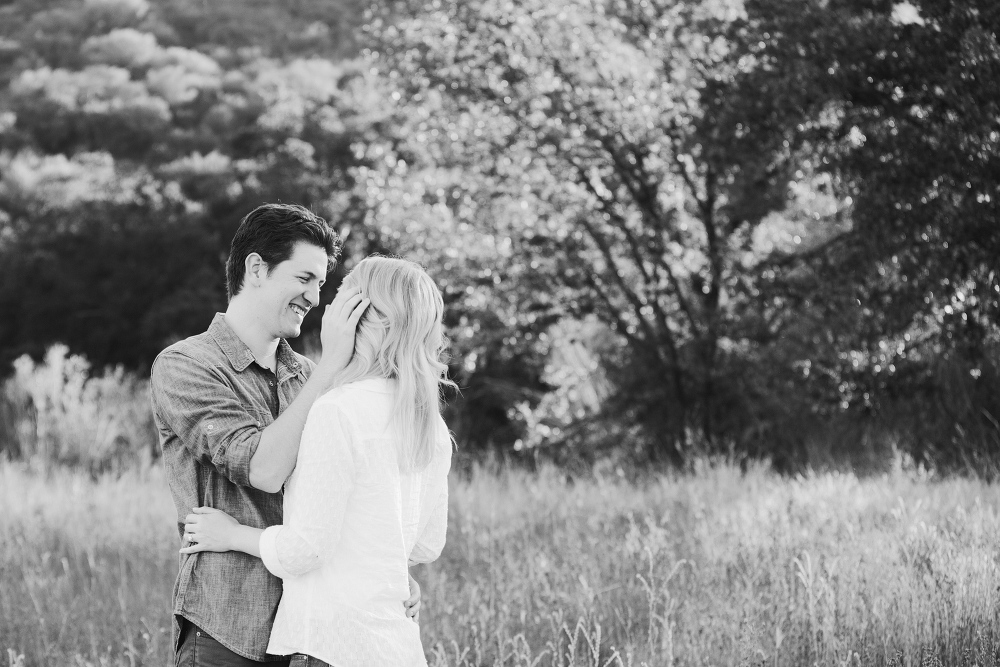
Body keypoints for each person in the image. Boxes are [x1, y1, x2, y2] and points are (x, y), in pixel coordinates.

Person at [150, 205, 421, 667]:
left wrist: (390, 574)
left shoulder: (313, 378)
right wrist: (331, 369)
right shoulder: (185, 365)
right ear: (256, 268)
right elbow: (264, 469)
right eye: (304, 278)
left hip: (311, 633)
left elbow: (357, 499)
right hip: (228, 628)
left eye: (321, 284)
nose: (315, 298)